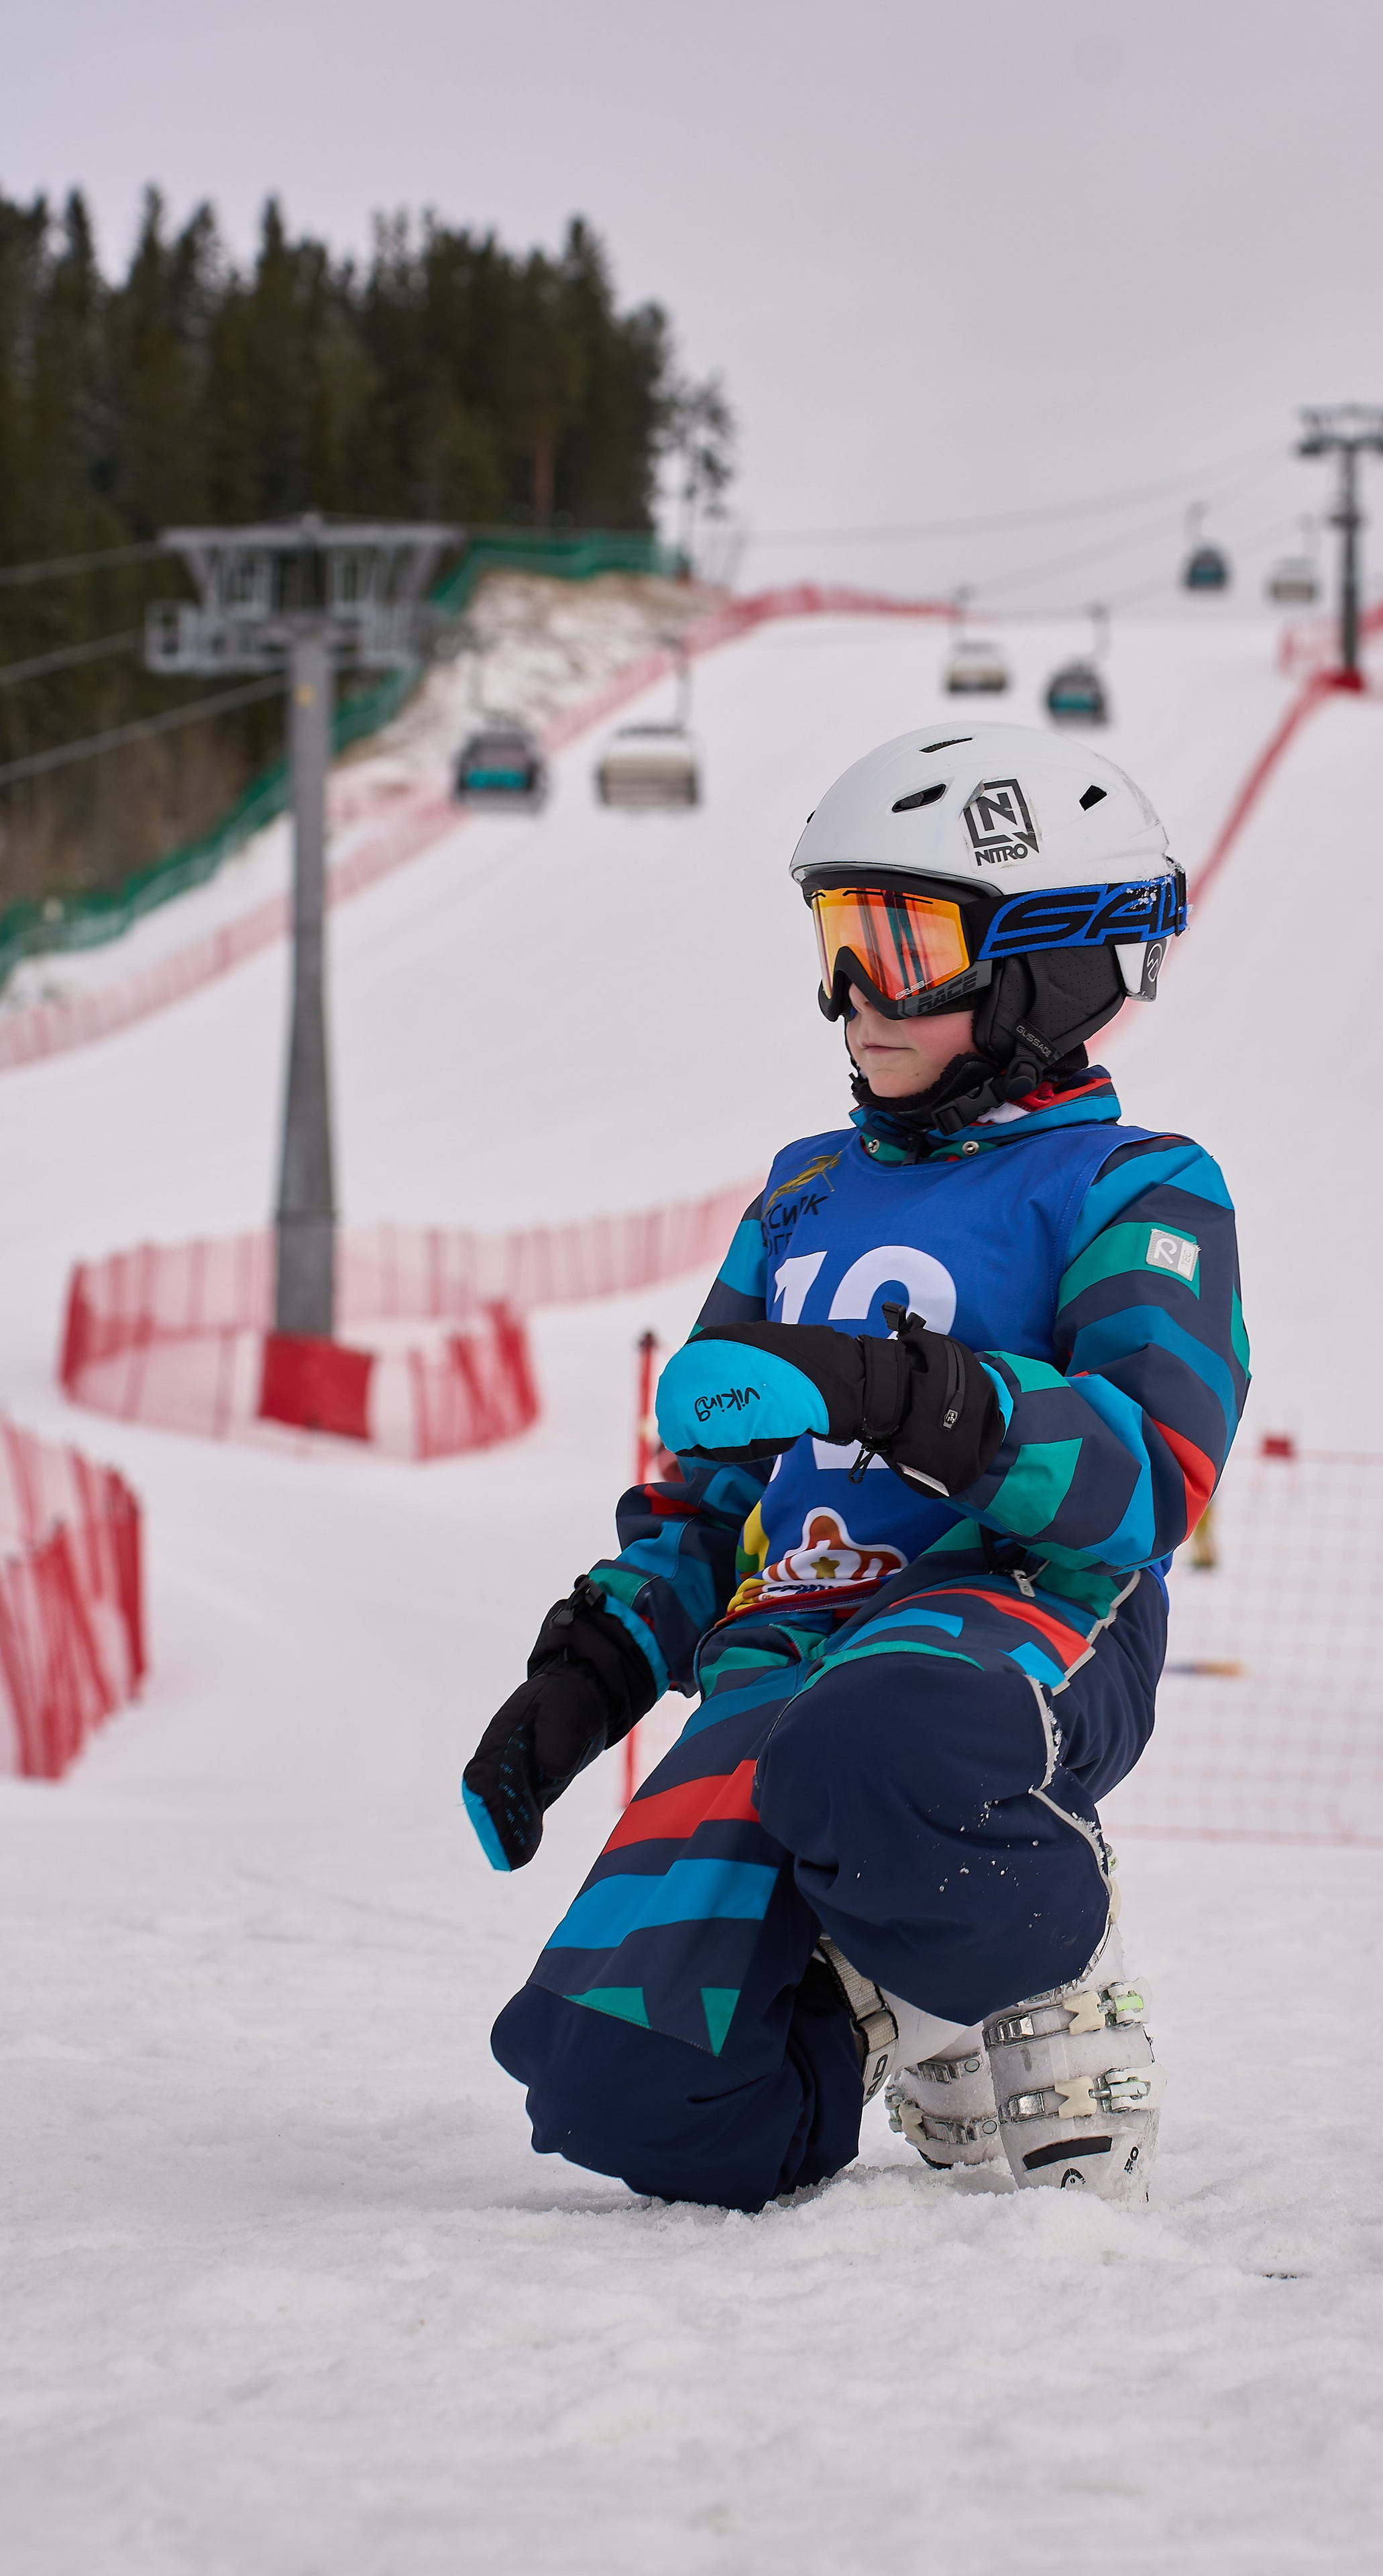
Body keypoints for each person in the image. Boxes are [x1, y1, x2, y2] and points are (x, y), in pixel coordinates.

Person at [465, 720, 1249, 2213]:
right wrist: (593, 1667)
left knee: (872, 1734)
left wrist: (902, 1394)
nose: (850, 997)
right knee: (610, 2074)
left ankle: (1040, 1962)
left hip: (1012, 1630)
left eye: (899, 948)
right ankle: (887, 1989)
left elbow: (1146, 1477)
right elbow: (710, 1482)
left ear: (1043, 966)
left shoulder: (1131, 1185)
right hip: (785, 1653)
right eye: (836, 942)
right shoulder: (803, 1195)